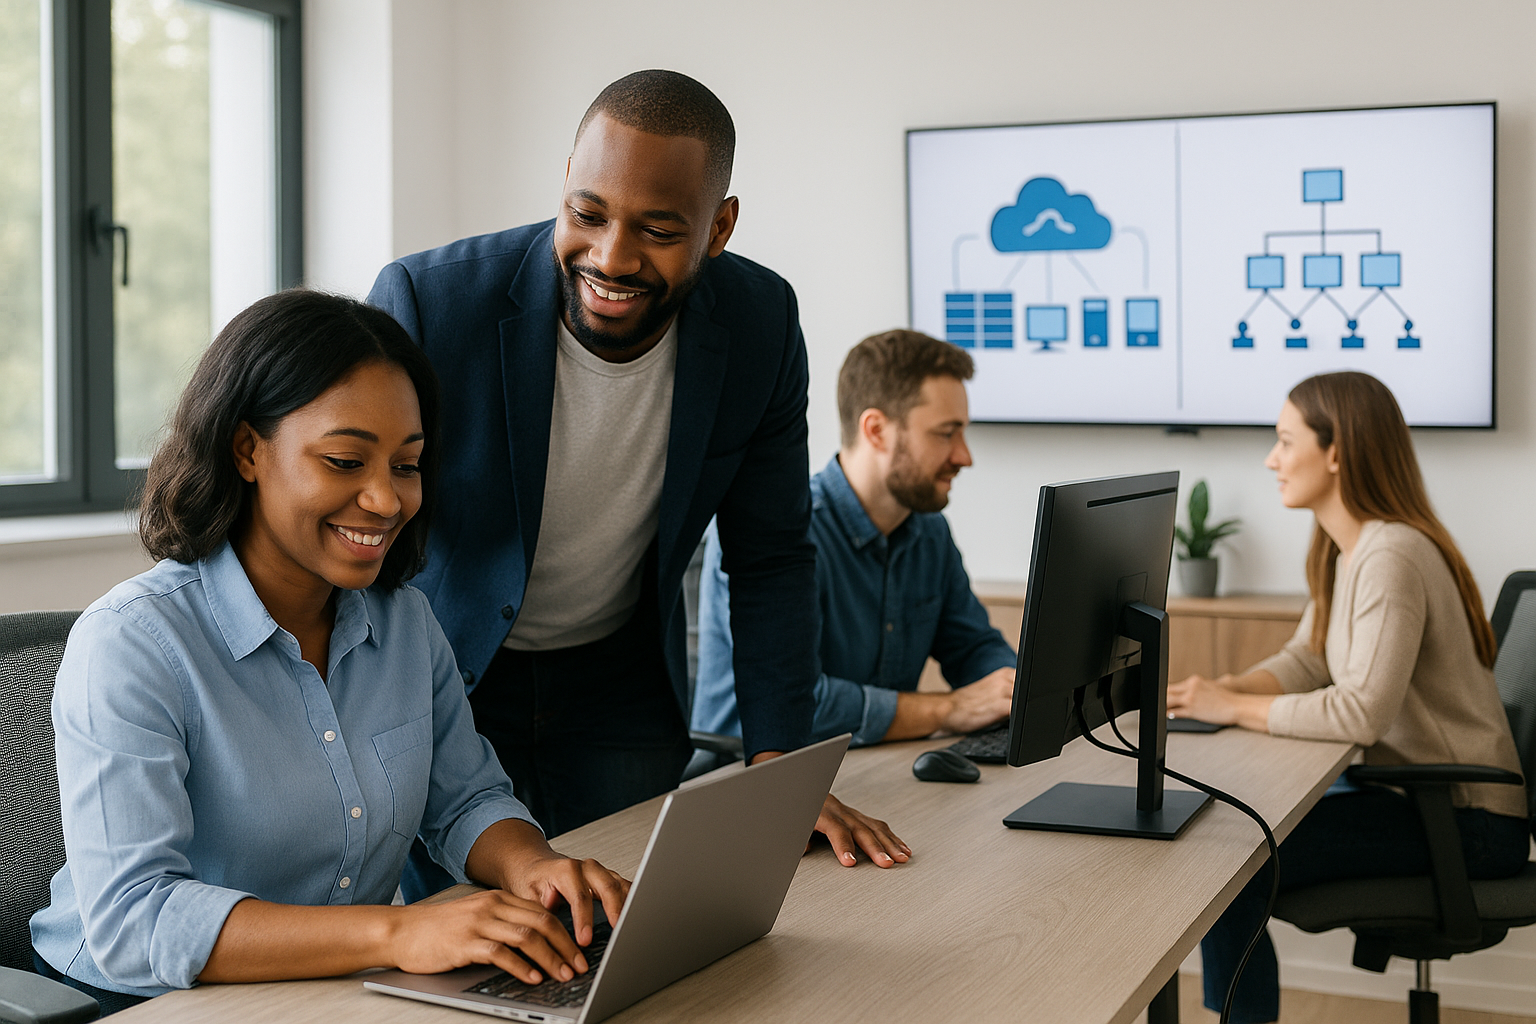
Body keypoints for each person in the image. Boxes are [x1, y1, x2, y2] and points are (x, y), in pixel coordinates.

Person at [367, 70, 905, 891]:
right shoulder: (431, 303)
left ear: (718, 227)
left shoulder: (761, 322)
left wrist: (782, 777)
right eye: (587, 215)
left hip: (618, 688)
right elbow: (357, 528)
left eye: (657, 230)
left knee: (639, 942)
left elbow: (769, 558)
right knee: (467, 954)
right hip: (446, 680)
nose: (610, 257)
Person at [30, 290, 627, 1013]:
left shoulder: (404, 622)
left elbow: (465, 796)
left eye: (406, 466)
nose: (385, 501)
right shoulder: (132, 644)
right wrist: (396, 932)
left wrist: (533, 867)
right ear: (247, 449)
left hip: (338, 989)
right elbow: (135, 919)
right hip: (146, 1001)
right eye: (345, 461)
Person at [1166, 370, 1528, 1024]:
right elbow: (1308, 658)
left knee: (1227, 859)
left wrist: (1235, 710)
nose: (1272, 459)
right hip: (1418, 798)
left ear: (1336, 452)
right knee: (1231, 826)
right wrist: (1222, 690)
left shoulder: (1393, 553)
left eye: (1284, 441)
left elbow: (1361, 712)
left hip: (1466, 822)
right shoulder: (1347, 549)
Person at [692, 330, 1015, 746]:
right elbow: (798, 703)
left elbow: (973, 647)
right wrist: (951, 709)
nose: (964, 456)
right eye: (945, 433)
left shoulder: (928, 531)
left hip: (874, 768)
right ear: (876, 430)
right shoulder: (773, 533)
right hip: (747, 784)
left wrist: (1011, 691)